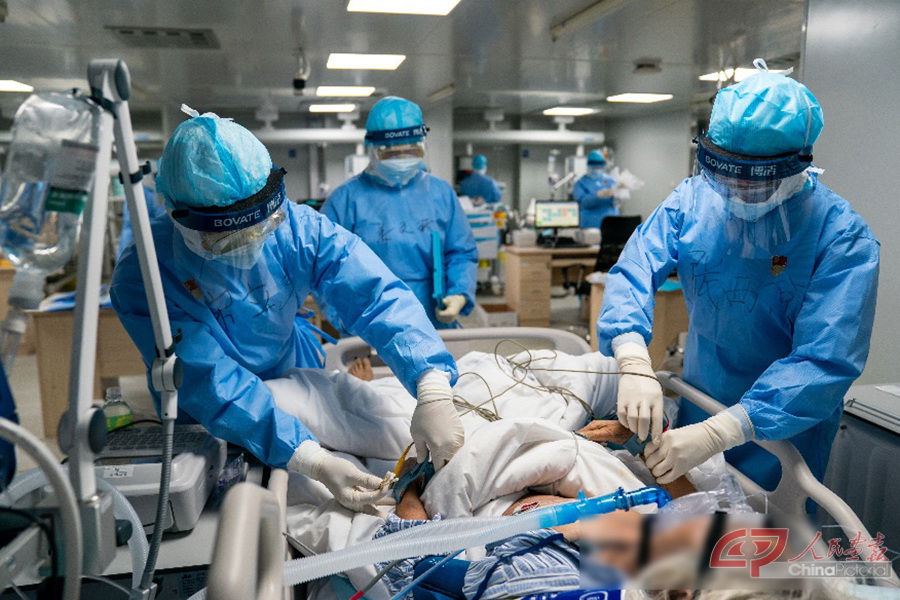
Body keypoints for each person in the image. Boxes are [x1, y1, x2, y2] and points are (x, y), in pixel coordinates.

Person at [110, 106, 466, 511]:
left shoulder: (299, 229)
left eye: (263, 226)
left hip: (294, 368)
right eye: (227, 240)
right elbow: (207, 379)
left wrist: (431, 383)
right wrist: (311, 459)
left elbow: (375, 294)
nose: (250, 244)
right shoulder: (145, 277)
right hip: (208, 409)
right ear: (179, 217)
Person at [597, 60, 880, 491]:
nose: (737, 191)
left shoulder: (840, 237)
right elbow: (635, 269)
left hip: (786, 422)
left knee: (767, 525)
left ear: (798, 165)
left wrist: (721, 431)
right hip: (701, 395)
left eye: (753, 182)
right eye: (724, 175)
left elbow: (826, 359)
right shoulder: (693, 201)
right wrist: (632, 357)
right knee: (695, 510)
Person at [322, 96, 478, 329]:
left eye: (412, 151)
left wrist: (458, 293)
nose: (403, 160)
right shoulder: (345, 200)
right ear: (372, 148)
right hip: (370, 323)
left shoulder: (440, 193)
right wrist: (346, 319)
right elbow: (325, 267)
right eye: (392, 154)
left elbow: (461, 252)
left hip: (433, 319)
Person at [572, 150, 619, 228]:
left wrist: (620, 194)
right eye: (595, 167)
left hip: (611, 224)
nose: (597, 169)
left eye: (599, 167)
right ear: (588, 166)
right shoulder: (580, 183)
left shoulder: (610, 180)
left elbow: (616, 200)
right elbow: (583, 203)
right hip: (589, 224)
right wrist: (597, 195)